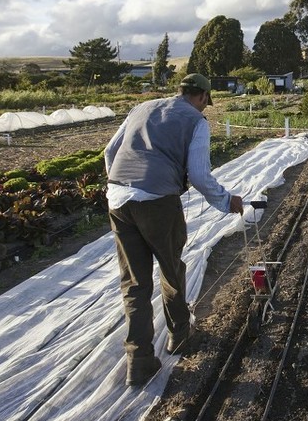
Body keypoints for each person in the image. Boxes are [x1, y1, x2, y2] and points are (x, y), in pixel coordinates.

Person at [104, 72, 244, 386]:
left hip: (118, 199)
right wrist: (226, 201)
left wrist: (121, 185)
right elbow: (198, 174)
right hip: (157, 201)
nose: (204, 108)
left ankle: (138, 361)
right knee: (170, 268)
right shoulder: (196, 121)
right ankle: (179, 336)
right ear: (202, 97)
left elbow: (110, 153)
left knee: (135, 283)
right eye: (206, 103)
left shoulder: (142, 108)